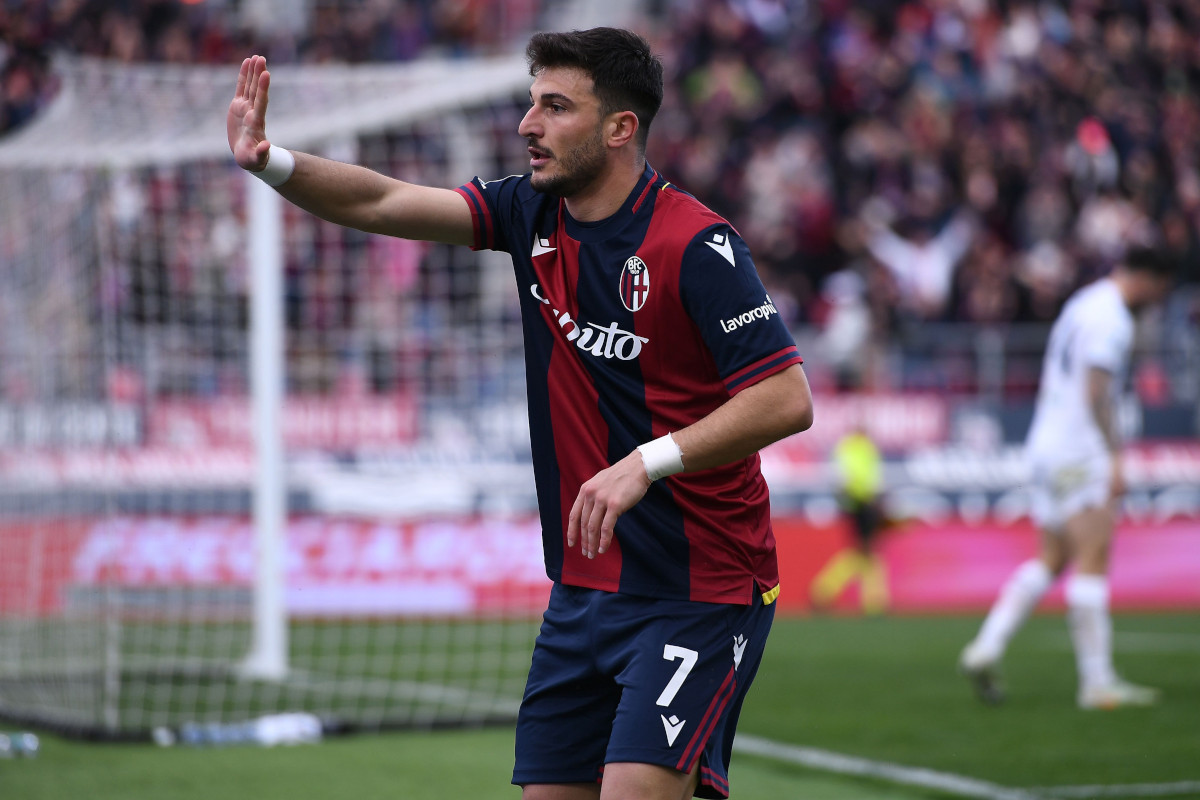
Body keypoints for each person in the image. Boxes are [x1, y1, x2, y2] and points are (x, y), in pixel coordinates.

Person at [227, 27, 814, 800]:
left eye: (554, 106)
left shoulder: (695, 245)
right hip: (580, 592)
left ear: (619, 128)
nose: (526, 125)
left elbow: (787, 398)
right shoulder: (527, 214)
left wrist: (646, 462)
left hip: (698, 589)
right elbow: (380, 199)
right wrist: (270, 160)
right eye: (531, 103)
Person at [958, 245, 1175, 710]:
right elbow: (1097, 390)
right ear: (1147, 277)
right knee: (1094, 555)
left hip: (1046, 444)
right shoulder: (1112, 317)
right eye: (1159, 289)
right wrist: (1116, 456)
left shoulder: (1084, 301)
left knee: (1052, 557)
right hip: (1081, 448)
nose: (1158, 299)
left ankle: (987, 646)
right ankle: (1097, 682)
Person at [810, 424, 889, 615]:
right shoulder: (860, 448)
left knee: (865, 552)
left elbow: (845, 478)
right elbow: (862, 478)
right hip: (862, 503)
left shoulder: (851, 447)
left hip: (859, 503)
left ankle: (872, 601)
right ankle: (826, 591)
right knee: (865, 551)